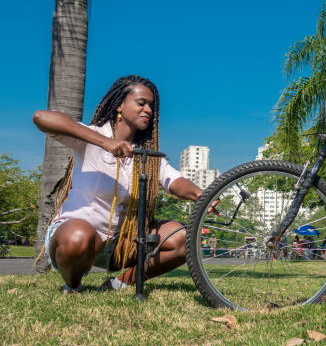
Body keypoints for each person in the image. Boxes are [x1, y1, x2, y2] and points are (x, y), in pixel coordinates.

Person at [33, 75, 203, 293]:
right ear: (120, 106)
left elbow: (175, 181)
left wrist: (202, 194)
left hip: (120, 245)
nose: (148, 110)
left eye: (151, 106)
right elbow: (41, 118)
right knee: (79, 236)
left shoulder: (148, 157)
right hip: (75, 239)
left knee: (183, 238)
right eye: (141, 103)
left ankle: (119, 283)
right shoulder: (92, 136)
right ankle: (73, 285)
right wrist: (106, 143)